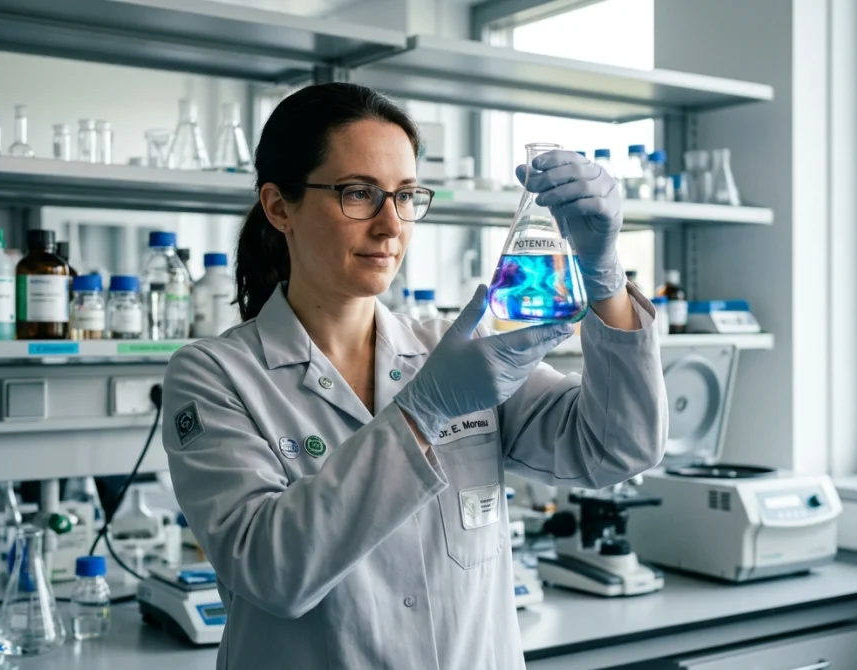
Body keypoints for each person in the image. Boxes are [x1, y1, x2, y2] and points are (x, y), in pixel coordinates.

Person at [162, 82, 667, 670]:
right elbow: (271, 571)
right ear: (280, 207)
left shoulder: (453, 347)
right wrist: (421, 413)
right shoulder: (215, 376)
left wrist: (604, 276)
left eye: (405, 196)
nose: (390, 225)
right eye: (358, 194)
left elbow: (618, 447)